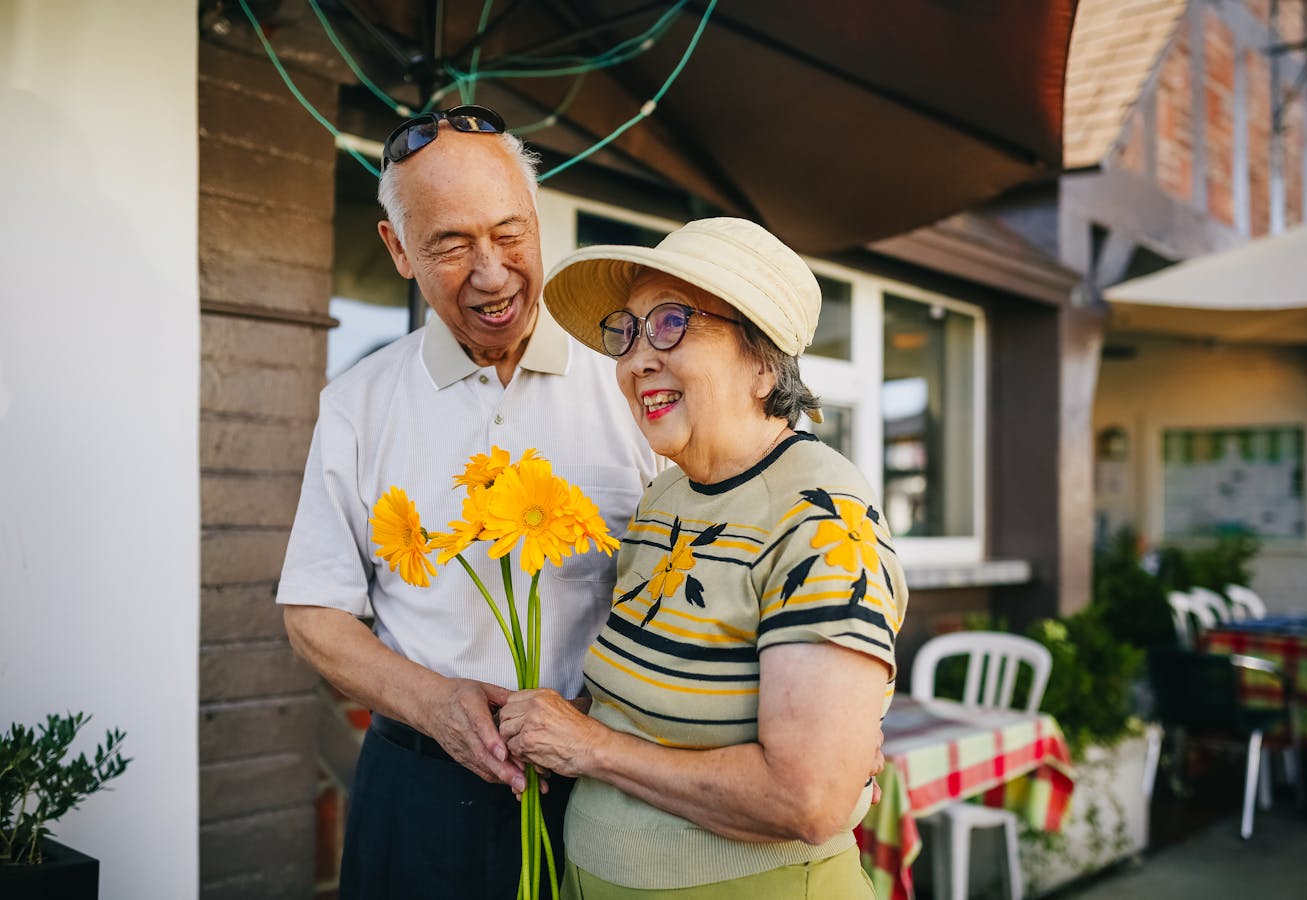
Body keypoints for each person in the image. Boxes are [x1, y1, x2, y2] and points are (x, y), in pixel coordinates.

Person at [275, 104, 656, 898]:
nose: (491, 273)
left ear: (538, 220)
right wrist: (433, 703)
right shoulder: (357, 403)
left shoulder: (634, 383)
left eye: (509, 233)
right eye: (450, 245)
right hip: (417, 791)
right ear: (398, 249)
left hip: (606, 789)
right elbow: (313, 613)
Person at [498, 217, 908, 898]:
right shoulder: (665, 497)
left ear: (762, 361)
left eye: (670, 323)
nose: (635, 360)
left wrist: (589, 747)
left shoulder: (820, 516)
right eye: (627, 332)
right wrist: (551, 721)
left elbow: (808, 800)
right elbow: (650, 705)